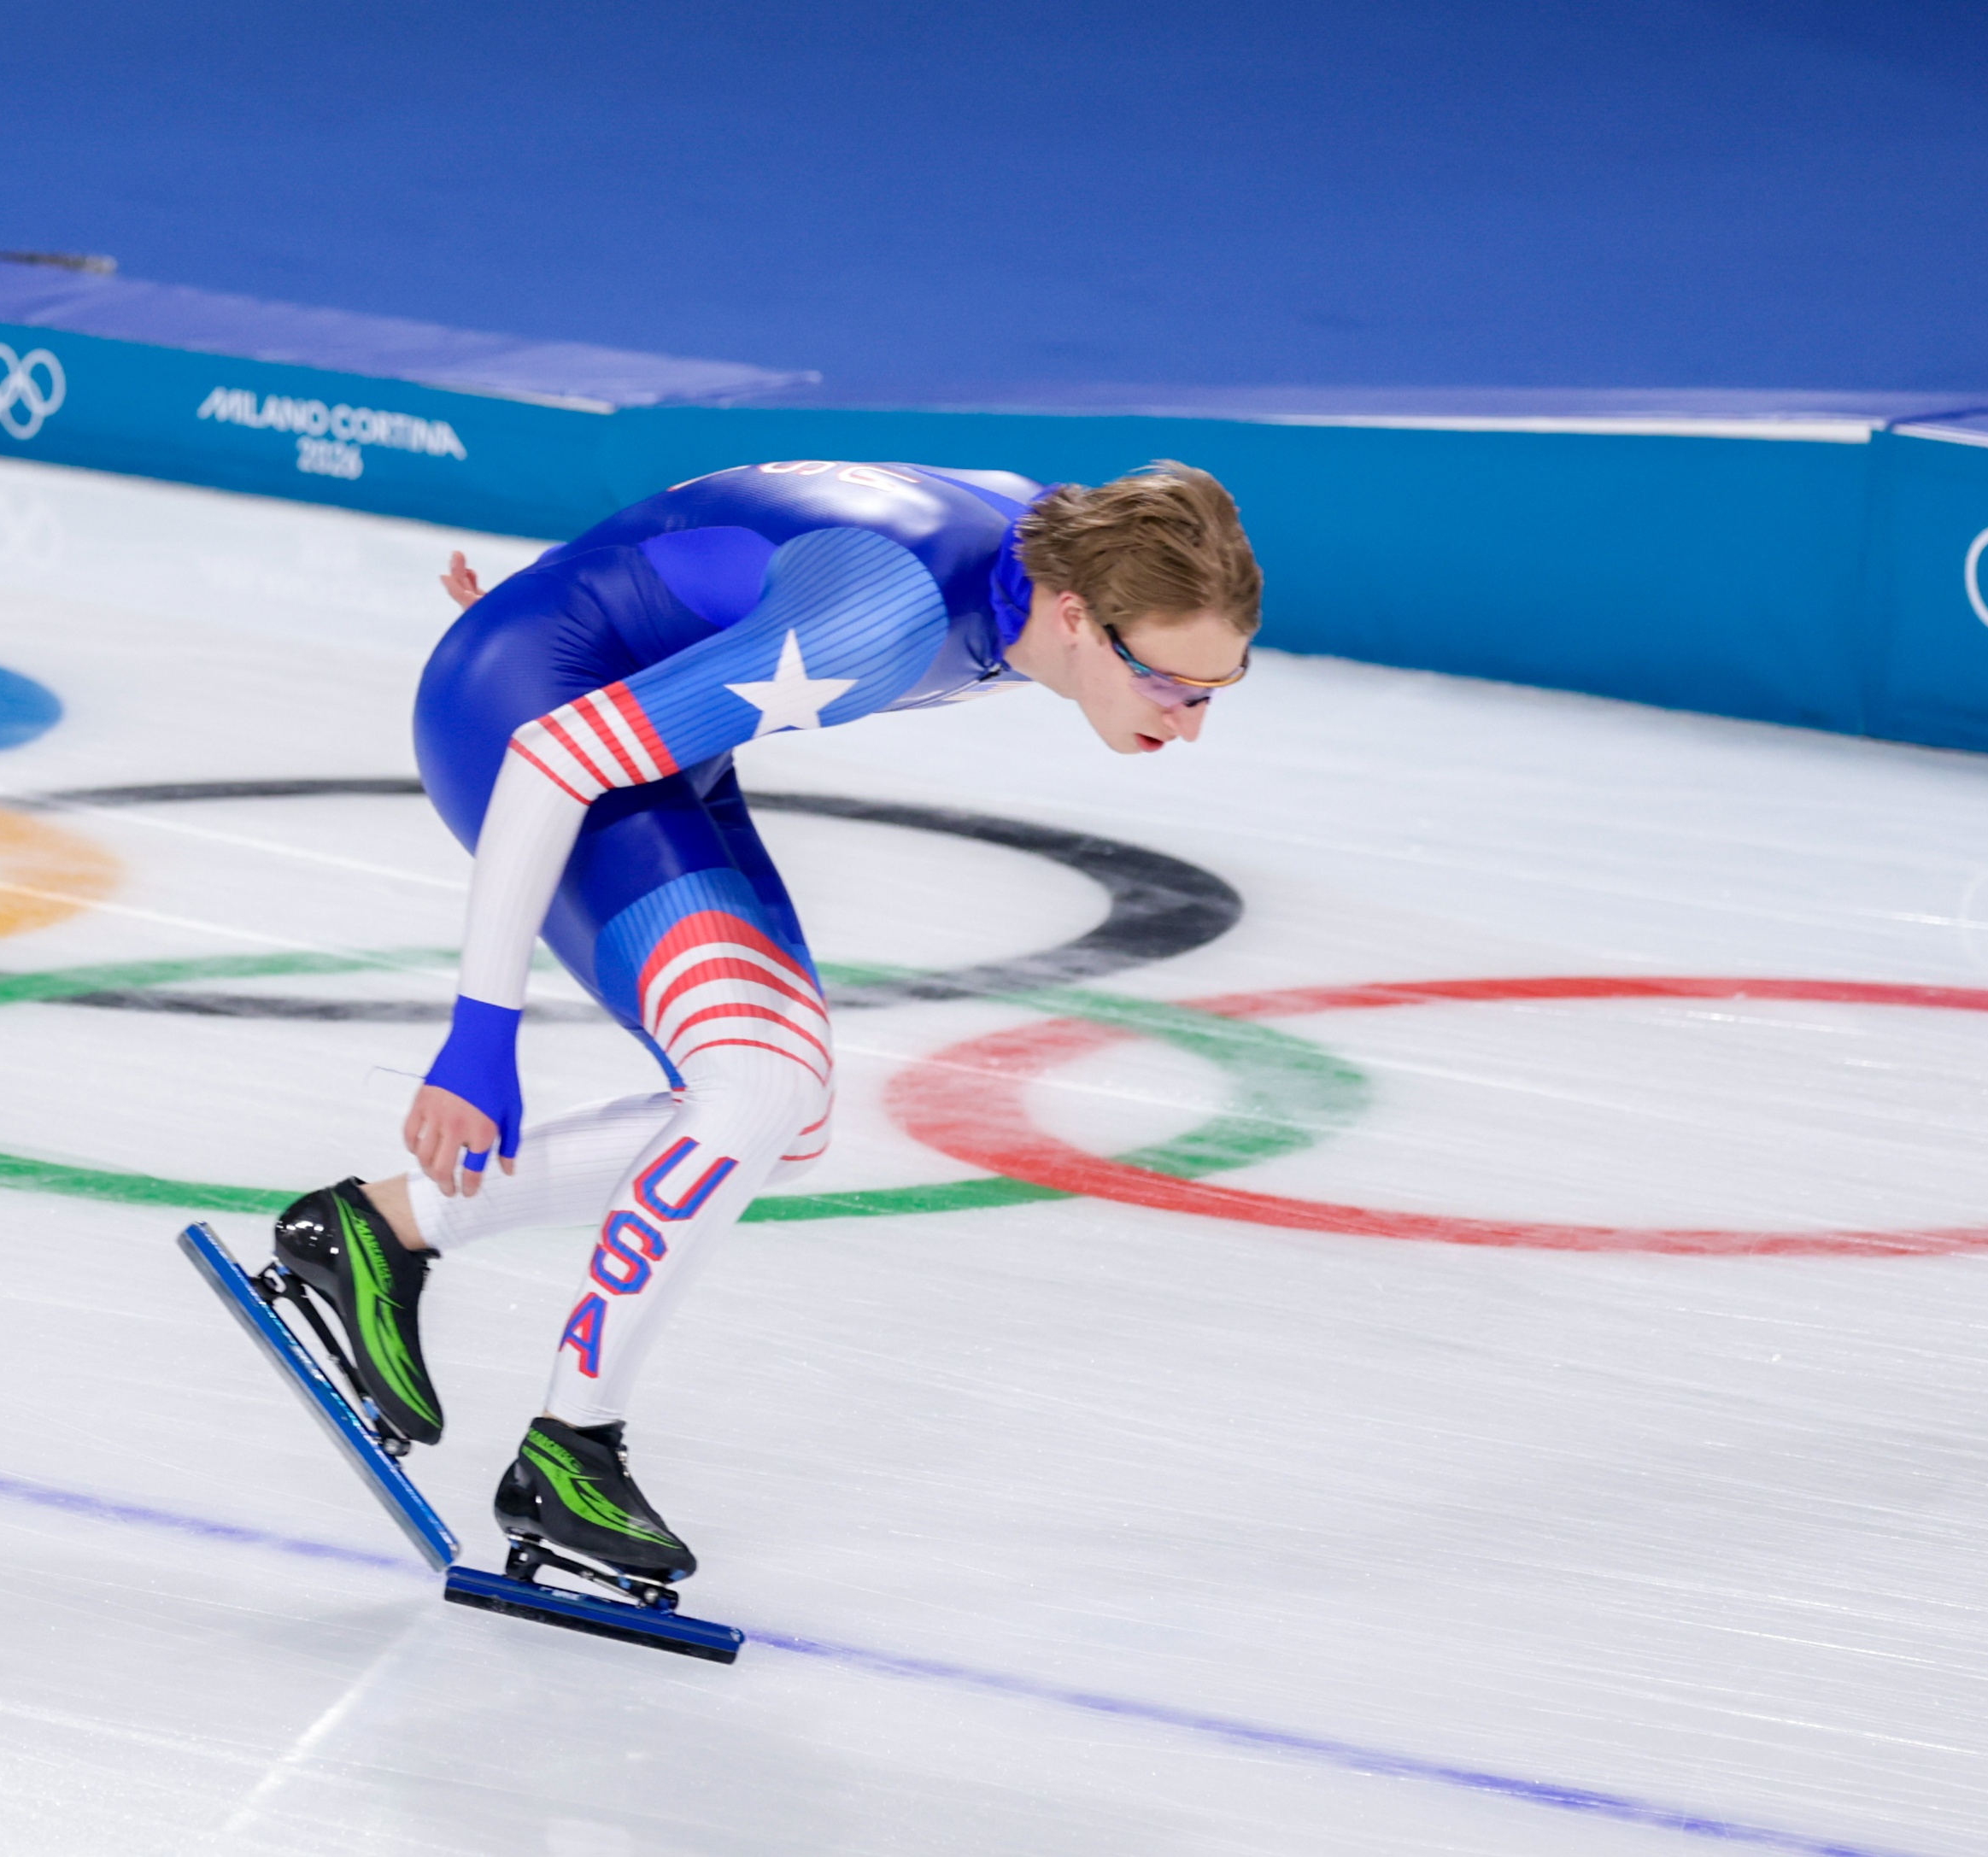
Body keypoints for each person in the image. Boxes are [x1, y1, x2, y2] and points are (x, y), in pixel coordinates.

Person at [273, 458, 1263, 1587]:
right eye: (1174, 687)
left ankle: (379, 1229)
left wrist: (563, 590)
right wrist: (478, 1033)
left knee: (784, 1118)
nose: (1188, 726)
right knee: (753, 1084)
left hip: (643, 718)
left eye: (1216, 690)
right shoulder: (882, 621)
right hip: (532, 727)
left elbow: (733, 510)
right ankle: (571, 1448)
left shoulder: (1060, 552)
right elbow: (554, 759)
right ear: (1080, 618)